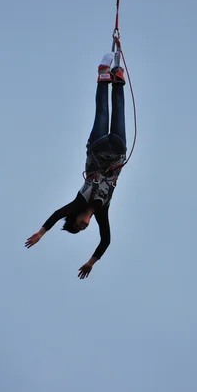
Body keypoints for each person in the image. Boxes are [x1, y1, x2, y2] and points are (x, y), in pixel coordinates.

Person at [25, 51, 127, 279]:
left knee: (101, 112)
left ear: (75, 217)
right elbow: (106, 240)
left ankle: (103, 74)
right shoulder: (102, 211)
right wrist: (92, 262)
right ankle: (117, 78)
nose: (84, 226)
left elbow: (56, 214)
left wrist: (42, 233)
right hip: (118, 150)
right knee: (119, 110)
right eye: (83, 229)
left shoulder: (79, 202)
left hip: (99, 148)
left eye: (79, 226)